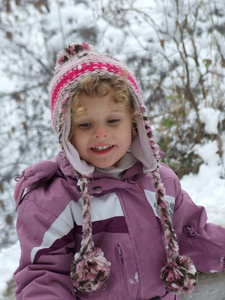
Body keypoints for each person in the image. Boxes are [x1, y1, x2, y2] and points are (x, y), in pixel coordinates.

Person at [13, 42, 225, 300]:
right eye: (85, 124)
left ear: (135, 123)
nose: (100, 133)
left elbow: (194, 236)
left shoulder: (161, 183)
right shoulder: (53, 199)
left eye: (113, 121)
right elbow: (43, 276)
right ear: (65, 131)